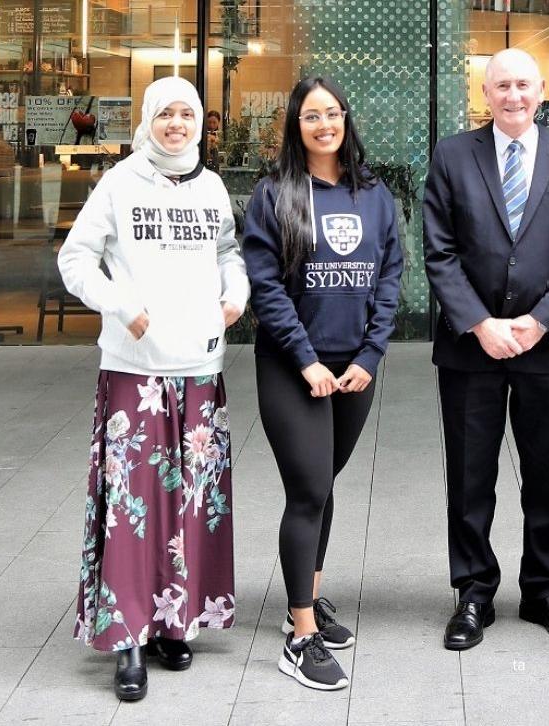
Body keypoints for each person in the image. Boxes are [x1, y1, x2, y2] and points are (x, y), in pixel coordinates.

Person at [59, 76, 248, 702]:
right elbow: (76, 259)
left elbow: (229, 251)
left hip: (198, 365)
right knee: (131, 506)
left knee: (191, 500)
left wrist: (235, 293)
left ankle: (175, 621)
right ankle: (126, 637)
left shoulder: (212, 185)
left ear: (199, 122)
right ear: (147, 119)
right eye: (164, 114)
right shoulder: (120, 182)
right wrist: (119, 304)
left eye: (186, 114)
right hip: (135, 370)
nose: (176, 124)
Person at [423, 47, 549, 651]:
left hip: (547, 346)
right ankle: (473, 592)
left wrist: (540, 319)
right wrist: (479, 322)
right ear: (486, 91)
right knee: (471, 478)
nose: (513, 96)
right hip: (471, 349)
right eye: (501, 85)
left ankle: (544, 588)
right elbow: (440, 250)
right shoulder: (452, 155)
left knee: (546, 476)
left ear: (542, 88)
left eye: (523, 84)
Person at [242, 76, 403, 691]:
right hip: (292, 366)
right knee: (308, 489)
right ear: (295, 125)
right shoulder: (274, 194)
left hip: (354, 367)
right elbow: (267, 287)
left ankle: (305, 593)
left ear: (345, 120)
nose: (323, 125)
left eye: (332, 113)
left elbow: (389, 278)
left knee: (325, 484)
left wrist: (370, 355)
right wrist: (308, 360)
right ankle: (299, 635)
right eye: (311, 116)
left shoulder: (374, 194)